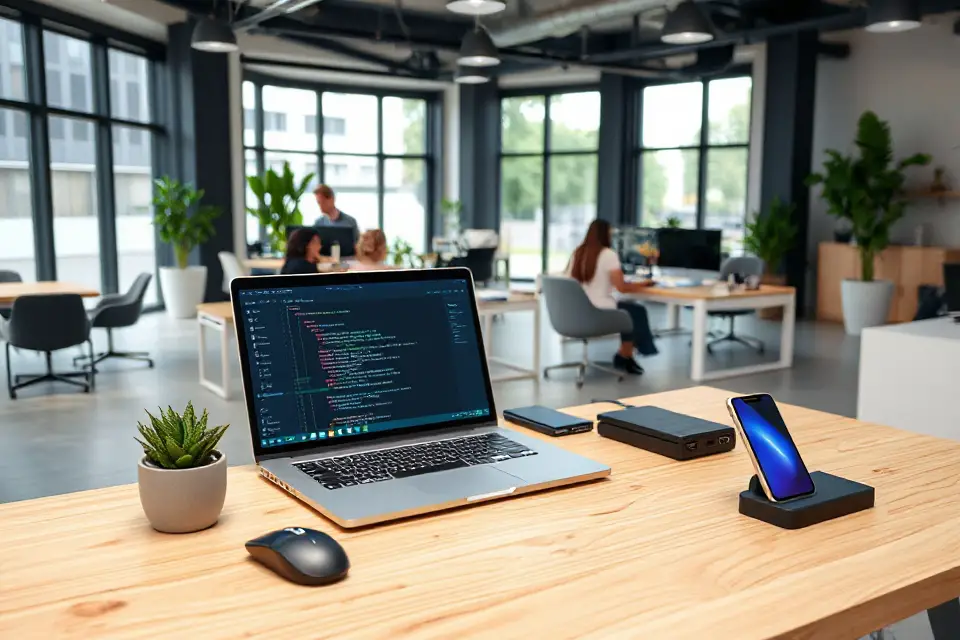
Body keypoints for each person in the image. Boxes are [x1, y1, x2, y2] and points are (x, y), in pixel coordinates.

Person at [566, 219, 657, 375]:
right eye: (610, 233)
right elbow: (622, 288)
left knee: (630, 310)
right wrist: (644, 284)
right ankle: (625, 354)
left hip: (577, 311)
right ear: (605, 235)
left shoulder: (578, 253)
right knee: (635, 312)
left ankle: (626, 354)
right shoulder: (608, 255)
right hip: (598, 310)